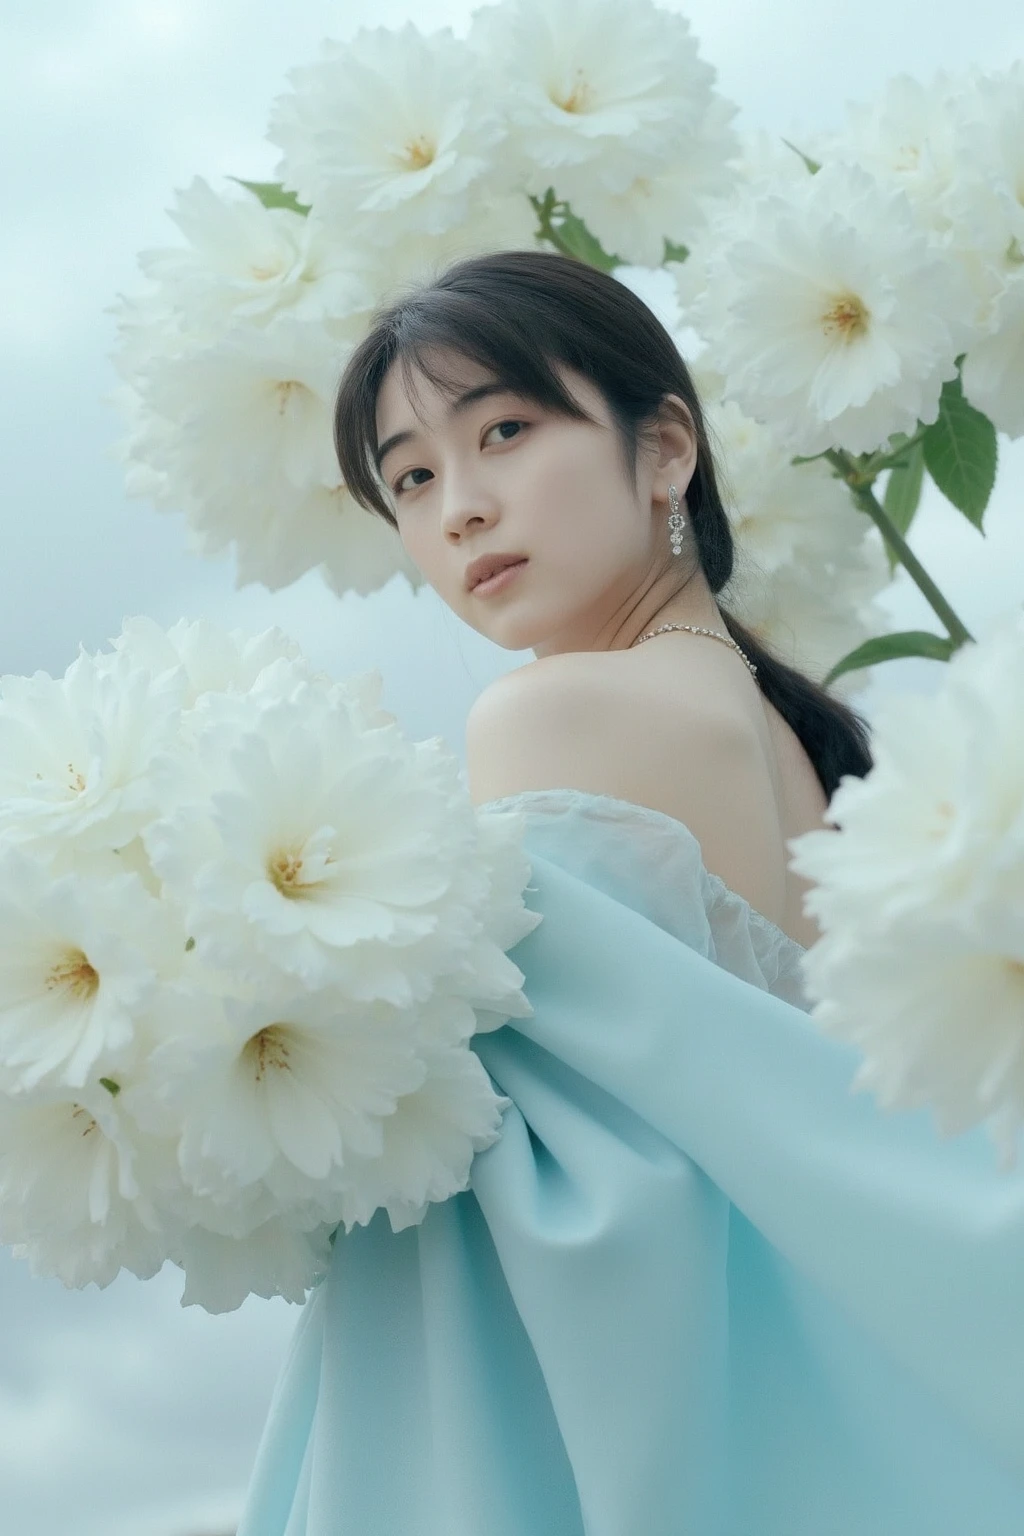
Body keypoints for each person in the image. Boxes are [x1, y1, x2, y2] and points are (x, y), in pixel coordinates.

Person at [236, 251, 1024, 1536]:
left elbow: (572, 1204)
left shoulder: (554, 711)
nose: (461, 509)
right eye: (413, 478)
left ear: (665, 450)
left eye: (503, 431)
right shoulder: (792, 734)